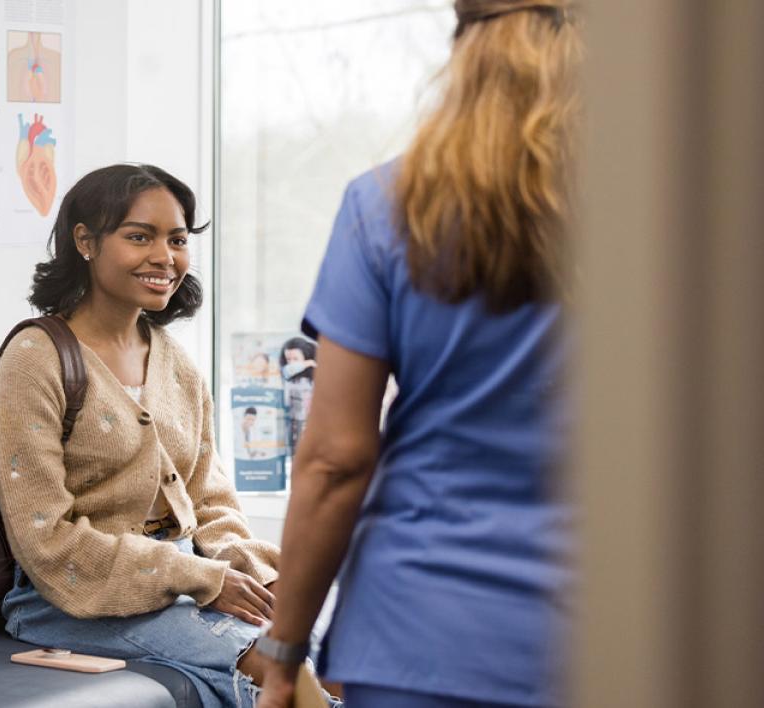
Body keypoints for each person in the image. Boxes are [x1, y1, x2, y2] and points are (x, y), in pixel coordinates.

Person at [258, 2, 580, 707]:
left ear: (463, 48)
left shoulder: (385, 205)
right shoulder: (679, 206)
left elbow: (336, 459)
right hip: (627, 630)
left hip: (419, 632)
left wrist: (284, 655)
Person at [0, 164, 339, 708]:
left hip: (186, 577)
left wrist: (253, 571)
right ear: (85, 241)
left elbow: (210, 501)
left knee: (347, 654)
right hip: (69, 600)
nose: (164, 257)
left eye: (176, 239)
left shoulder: (174, 361)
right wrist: (200, 578)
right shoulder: (34, 361)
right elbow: (46, 542)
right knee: (284, 669)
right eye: (138, 236)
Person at [278, 337, 317, 454]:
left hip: (313, 423)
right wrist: (308, 363)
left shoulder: (315, 376)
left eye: (296, 358)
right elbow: (288, 370)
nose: (292, 362)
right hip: (294, 423)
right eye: (288, 359)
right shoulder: (288, 376)